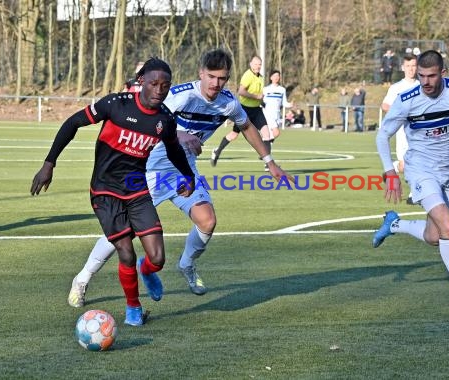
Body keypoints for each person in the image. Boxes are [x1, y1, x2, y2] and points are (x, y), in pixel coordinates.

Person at [67, 49, 293, 308]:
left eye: (222, 78)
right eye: (211, 76)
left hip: (184, 172)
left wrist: (270, 162)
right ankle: (82, 279)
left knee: (207, 221)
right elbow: (150, 119)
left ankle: (187, 264)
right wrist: (180, 136)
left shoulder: (228, 102)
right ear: (201, 73)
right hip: (149, 170)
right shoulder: (180, 95)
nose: (215, 83)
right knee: (122, 233)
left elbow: (247, 127)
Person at [31, 57, 196, 326]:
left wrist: (188, 176)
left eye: (165, 86)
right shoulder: (116, 105)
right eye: (154, 83)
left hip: (136, 189)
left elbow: (174, 150)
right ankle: (133, 308)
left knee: (157, 258)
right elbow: (72, 123)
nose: (159, 90)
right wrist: (49, 163)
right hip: (105, 192)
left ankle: (147, 272)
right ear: (141, 81)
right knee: (125, 252)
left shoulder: (165, 120)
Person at [373, 50, 449, 309]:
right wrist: (389, 172)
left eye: (431, 76)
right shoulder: (408, 100)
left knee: (435, 236)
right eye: (422, 76)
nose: (425, 81)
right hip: (420, 169)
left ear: (443, 74)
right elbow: (382, 135)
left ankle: (394, 225)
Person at [211, 55, 269, 170]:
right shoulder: (248, 76)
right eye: (256, 64)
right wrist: (256, 96)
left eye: (260, 64)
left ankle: (267, 163)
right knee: (234, 135)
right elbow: (241, 91)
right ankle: (217, 151)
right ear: (251, 64)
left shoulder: (261, 78)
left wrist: (261, 101)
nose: (258, 66)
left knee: (266, 134)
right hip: (245, 110)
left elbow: (259, 94)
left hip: (257, 110)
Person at [381, 53, 419, 205]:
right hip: (403, 132)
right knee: (405, 165)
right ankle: (393, 169)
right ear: (403, 68)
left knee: (419, 162)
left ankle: (413, 194)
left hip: (421, 131)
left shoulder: (423, 86)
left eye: (414, 66)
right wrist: (400, 113)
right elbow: (385, 105)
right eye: (408, 66)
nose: (411, 69)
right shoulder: (396, 87)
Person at [261, 70, 291, 154]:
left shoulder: (282, 90)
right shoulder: (266, 89)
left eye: (278, 76)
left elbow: (284, 103)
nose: (276, 77)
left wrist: (290, 105)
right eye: (274, 76)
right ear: (271, 78)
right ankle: (265, 149)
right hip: (268, 114)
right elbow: (260, 101)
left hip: (277, 114)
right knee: (276, 132)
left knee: (270, 136)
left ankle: (264, 151)